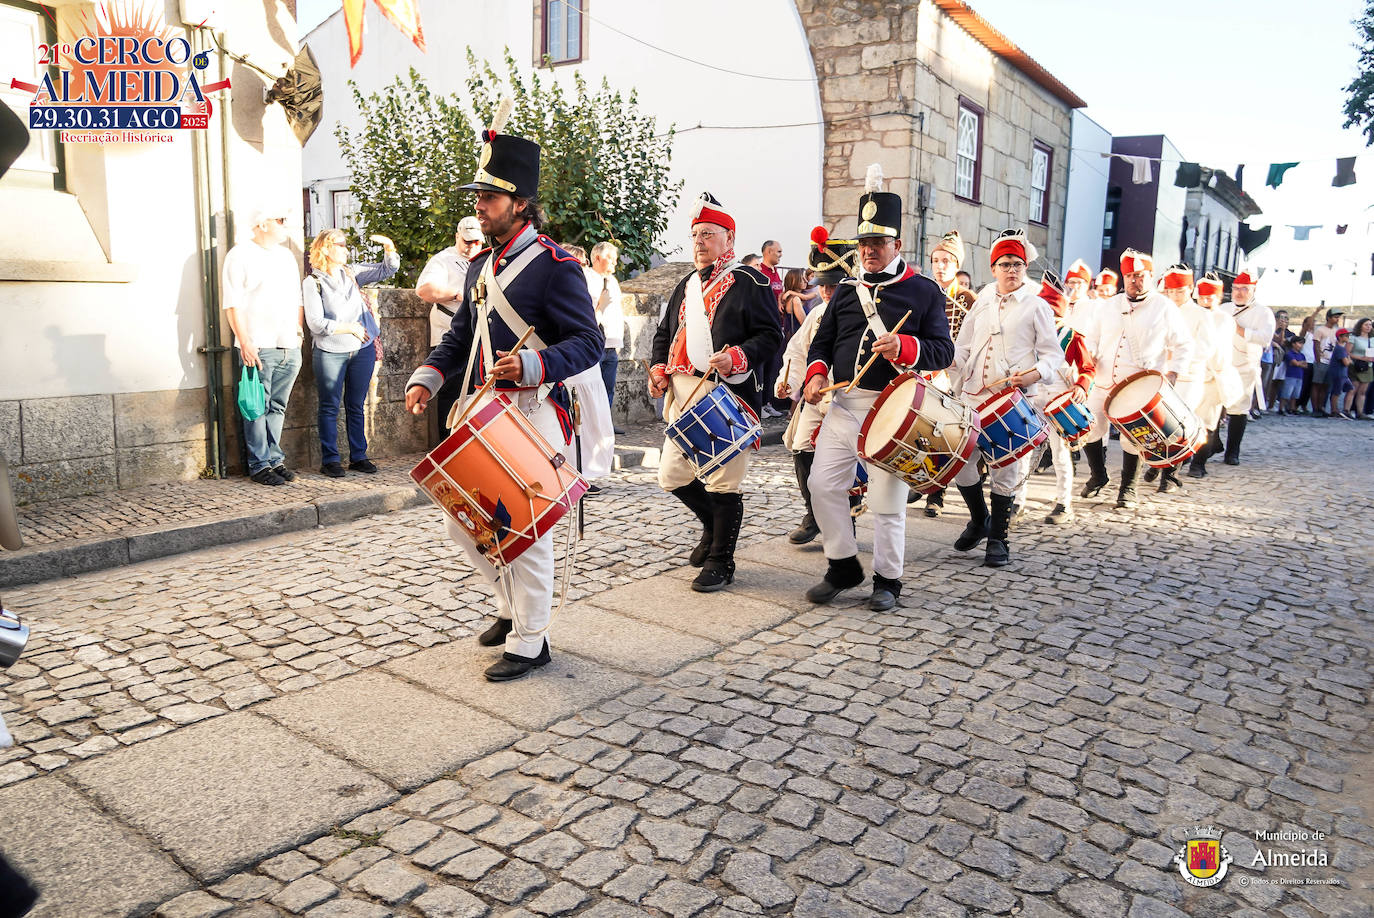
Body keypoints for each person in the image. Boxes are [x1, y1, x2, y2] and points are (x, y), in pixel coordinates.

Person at [404, 122, 603, 682]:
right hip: (487, 409)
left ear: (520, 203)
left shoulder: (556, 265)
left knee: (525, 529)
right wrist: (429, 377)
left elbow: (589, 343)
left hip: (538, 409)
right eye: (479, 198)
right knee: (462, 523)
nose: (481, 208)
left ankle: (532, 639)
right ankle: (512, 607)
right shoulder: (478, 266)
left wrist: (535, 364)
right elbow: (460, 337)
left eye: (489, 198)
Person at [801, 166, 954, 607]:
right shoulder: (848, 290)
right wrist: (815, 374)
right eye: (864, 244)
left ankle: (888, 581)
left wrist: (905, 347)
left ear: (897, 245)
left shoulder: (923, 292)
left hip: (894, 410)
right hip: (845, 404)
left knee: (887, 502)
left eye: (877, 243)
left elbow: (944, 352)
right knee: (824, 486)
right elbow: (824, 342)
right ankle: (843, 565)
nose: (868, 251)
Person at [648, 193, 783, 592]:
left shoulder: (750, 282)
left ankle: (722, 560)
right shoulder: (685, 285)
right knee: (671, 476)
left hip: (727, 393)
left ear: (729, 238)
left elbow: (770, 336)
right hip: (681, 393)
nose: (700, 241)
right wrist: (658, 370)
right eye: (695, 235)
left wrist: (738, 356)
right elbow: (663, 335)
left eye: (708, 234)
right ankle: (713, 527)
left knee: (723, 481)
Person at [947, 230, 1063, 566]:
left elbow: (1052, 354)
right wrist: (947, 358)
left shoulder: (1037, 305)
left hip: (1011, 399)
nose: (1011, 270)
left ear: (1024, 268)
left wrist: (1035, 373)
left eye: (1017, 264)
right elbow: (965, 345)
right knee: (960, 460)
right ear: (993, 268)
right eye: (1004, 264)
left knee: (1006, 471)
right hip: (972, 394)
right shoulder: (982, 298)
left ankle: (998, 538)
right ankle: (979, 518)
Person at [1080, 249, 1192, 508]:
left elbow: (1184, 344)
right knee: (1089, 428)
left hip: (1138, 385)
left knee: (1135, 437)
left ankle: (1128, 488)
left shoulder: (1164, 307)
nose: (1134, 281)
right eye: (1129, 275)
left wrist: (1173, 372)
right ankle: (1098, 475)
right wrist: (1091, 354)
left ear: (1150, 276)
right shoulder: (1108, 306)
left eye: (1140, 276)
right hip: (1103, 379)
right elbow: (1091, 338)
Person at [776, 238, 856, 544]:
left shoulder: (861, 311)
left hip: (849, 399)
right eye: (823, 284)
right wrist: (790, 384)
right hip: (815, 395)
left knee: (846, 461)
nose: (825, 291)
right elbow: (798, 352)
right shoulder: (816, 314)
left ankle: (848, 516)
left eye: (833, 285)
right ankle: (813, 514)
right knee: (800, 446)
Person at [304, 229, 399, 477]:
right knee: (329, 406)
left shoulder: (351, 272)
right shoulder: (313, 282)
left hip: (362, 350)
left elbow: (386, 270)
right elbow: (315, 323)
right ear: (325, 248)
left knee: (356, 405)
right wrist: (348, 328)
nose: (347, 249)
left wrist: (389, 247)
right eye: (342, 245)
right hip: (330, 352)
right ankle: (330, 460)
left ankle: (359, 456)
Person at [221, 207, 305, 486]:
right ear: (262, 224)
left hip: (288, 345)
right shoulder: (240, 254)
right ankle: (259, 464)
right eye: (280, 220)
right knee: (256, 406)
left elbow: (297, 298)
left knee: (277, 407)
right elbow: (232, 303)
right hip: (259, 344)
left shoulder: (285, 257)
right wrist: (244, 341)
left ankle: (274, 459)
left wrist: (298, 334)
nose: (285, 226)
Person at [915, 229, 976, 518]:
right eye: (936, 260)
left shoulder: (967, 298)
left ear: (956, 265)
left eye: (946, 261)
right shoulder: (925, 289)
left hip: (956, 374)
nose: (940, 266)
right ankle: (922, 479)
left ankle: (936, 493)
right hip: (927, 368)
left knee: (944, 433)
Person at [1147, 265, 1219, 492]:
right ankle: (1157, 462)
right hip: (1160, 375)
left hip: (1188, 377)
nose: (1175, 296)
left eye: (1180, 291)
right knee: (1156, 424)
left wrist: (1177, 359)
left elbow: (1205, 349)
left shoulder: (1202, 315)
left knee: (1178, 427)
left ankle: (1170, 475)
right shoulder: (1159, 310)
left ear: (1190, 289)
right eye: (1170, 291)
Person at [1030, 272, 1094, 524]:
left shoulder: (1071, 335)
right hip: (1033, 393)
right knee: (1025, 454)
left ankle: (1063, 502)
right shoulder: (1030, 332)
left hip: (1059, 397)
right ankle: (1018, 501)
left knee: (1060, 453)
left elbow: (1088, 368)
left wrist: (1081, 386)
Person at [417, 216, 486, 445]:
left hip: (480, 337)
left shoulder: (485, 258)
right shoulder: (443, 260)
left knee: (478, 396)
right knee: (452, 397)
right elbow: (425, 290)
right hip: (451, 337)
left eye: (476, 242)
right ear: (457, 236)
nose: (472, 246)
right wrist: (457, 294)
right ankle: (448, 447)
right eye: (467, 241)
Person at [1187, 273, 1244, 478]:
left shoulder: (1225, 320)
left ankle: (1199, 463)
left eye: (1210, 296)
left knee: (1208, 422)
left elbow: (1220, 349)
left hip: (1212, 377)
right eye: (1202, 296)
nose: (1206, 300)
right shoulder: (1189, 314)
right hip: (1190, 375)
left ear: (1218, 297)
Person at [1221, 271, 1275, 464]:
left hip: (1244, 366)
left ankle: (1232, 452)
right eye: (1236, 288)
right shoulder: (1223, 308)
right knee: (1212, 406)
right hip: (1220, 364)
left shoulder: (1263, 312)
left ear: (1253, 290)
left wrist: (1239, 329)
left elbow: (1265, 338)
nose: (1239, 293)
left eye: (1245, 289)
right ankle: (1210, 445)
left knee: (1239, 408)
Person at [586, 242, 625, 418]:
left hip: (612, 343)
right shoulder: (586, 278)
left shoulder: (613, 282)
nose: (614, 263)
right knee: (593, 388)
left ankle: (605, 422)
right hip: (595, 342)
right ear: (597, 257)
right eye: (610, 259)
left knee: (608, 388)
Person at [1310, 307, 1343, 417]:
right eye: (1335, 317)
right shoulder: (1320, 330)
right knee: (1317, 384)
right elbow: (1316, 344)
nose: (1337, 319)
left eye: (1338, 317)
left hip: (1331, 362)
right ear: (1328, 318)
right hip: (1322, 360)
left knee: (1325, 386)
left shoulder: (1336, 331)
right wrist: (1318, 360)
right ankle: (1315, 408)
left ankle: (1321, 407)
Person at [1346, 317, 1373, 418]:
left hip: (1368, 367)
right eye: (1366, 325)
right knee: (1353, 389)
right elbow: (1348, 352)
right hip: (1355, 366)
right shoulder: (1354, 337)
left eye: (1370, 325)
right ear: (1360, 325)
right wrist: (1362, 358)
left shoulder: (1372, 339)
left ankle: (1360, 412)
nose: (1368, 327)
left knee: (1363, 391)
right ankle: (1347, 410)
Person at [1266, 310, 1290, 412]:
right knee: (1267, 383)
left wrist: (1283, 329)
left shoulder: (1285, 331)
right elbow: (1272, 338)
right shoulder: (1269, 327)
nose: (1283, 320)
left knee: (1273, 383)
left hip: (1276, 359)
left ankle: (1270, 405)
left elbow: (1281, 341)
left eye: (1286, 318)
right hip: (1266, 358)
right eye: (1281, 318)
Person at [1064, 259, 1095, 334]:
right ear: (1066, 284)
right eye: (1071, 282)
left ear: (1087, 286)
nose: (1075, 286)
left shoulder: (1092, 307)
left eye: (1079, 282)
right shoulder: (1061, 305)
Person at [1328, 329, 1354, 418]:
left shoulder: (1342, 348)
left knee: (1351, 389)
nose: (1348, 337)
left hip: (1343, 374)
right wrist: (1349, 360)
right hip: (1338, 374)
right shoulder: (1339, 348)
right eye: (1346, 336)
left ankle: (1346, 409)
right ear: (1340, 337)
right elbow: (1346, 362)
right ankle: (1334, 410)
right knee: (1336, 392)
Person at [1279, 335, 1308, 415]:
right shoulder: (1289, 353)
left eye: (1302, 343)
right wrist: (1299, 363)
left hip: (1299, 376)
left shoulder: (1302, 355)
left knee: (1295, 394)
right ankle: (1281, 408)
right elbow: (1295, 363)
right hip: (1290, 376)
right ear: (1293, 344)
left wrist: (1298, 363)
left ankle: (1292, 408)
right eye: (1299, 343)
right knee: (1286, 393)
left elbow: (1305, 365)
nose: (1301, 345)